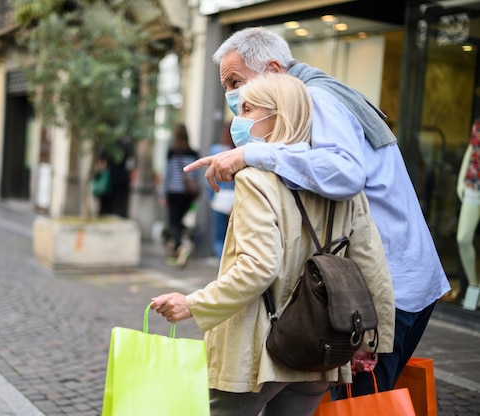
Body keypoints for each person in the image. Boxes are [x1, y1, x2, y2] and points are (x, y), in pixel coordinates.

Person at [184, 27, 450, 399]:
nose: (232, 97)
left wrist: (250, 154)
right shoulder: (321, 92)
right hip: (394, 282)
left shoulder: (316, 97)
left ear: (274, 70)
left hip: (377, 291)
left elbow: (345, 172)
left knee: (354, 405)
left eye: (236, 83)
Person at [151, 72, 395, 416]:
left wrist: (193, 303)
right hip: (320, 348)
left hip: (257, 350)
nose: (239, 118)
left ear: (277, 116)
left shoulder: (255, 180)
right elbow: (373, 270)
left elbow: (259, 267)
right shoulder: (346, 188)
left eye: (248, 109)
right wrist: (372, 342)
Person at [159, 123, 200, 267]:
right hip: (187, 194)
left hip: (173, 192)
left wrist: (162, 194)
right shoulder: (194, 153)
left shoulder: (172, 152)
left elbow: (167, 175)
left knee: (173, 223)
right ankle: (183, 244)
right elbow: (195, 175)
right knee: (179, 221)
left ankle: (179, 248)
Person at [456, 116, 480, 311]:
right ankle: (474, 286)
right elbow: (473, 147)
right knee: (463, 238)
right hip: (474, 184)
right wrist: (461, 178)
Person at [207, 122, 236, 258]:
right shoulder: (241, 151)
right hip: (238, 197)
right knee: (234, 238)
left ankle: (222, 267)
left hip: (221, 196)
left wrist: (211, 197)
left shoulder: (217, 151)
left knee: (219, 238)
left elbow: (210, 179)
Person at [94, 138, 133, 218]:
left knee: (107, 211)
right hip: (119, 181)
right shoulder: (126, 144)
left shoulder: (109, 144)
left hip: (111, 181)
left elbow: (102, 162)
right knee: (117, 210)